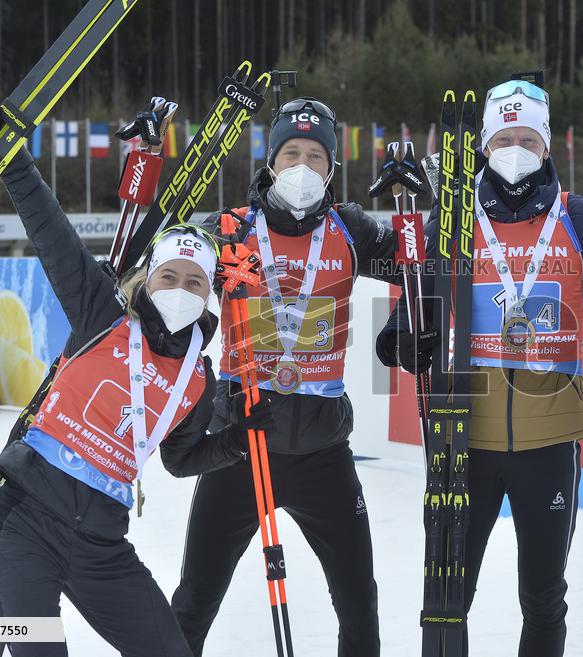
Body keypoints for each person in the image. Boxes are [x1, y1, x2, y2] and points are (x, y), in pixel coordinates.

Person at [0, 103, 259, 657]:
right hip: (24, 522)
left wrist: (233, 440)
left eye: (193, 281)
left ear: (209, 295)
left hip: (102, 546)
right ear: (147, 282)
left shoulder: (199, 379)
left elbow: (178, 458)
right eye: (168, 276)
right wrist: (13, 161)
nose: (179, 287)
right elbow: (52, 234)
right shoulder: (102, 314)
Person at [376, 79, 583, 657]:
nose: (515, 149)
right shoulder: (454, 218)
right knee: (447, 596)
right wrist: (402, 339)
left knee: (543, 598)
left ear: (546, 148)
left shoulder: (580, 218)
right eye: (503, 138)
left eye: (527, 139)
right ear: (484, 147)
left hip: (552, 440)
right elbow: (415, 297)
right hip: (464, 436)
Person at [170, 97, 396, 657]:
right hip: (240, 445)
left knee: (358, 602)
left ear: (332, 168)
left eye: (315, 156)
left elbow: (425, 265)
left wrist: (424, 206)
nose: (301, 166)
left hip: (323, 451)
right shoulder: (231, 231)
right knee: (196, 598)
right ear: (270, 162)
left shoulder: (351, 228)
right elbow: (166, 286)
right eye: (290, 153)